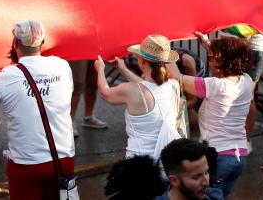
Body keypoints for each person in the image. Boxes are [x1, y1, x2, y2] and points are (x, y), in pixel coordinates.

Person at [0, 20, 75, 198]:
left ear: (15, 43)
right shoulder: (62, 66)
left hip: (27, 165)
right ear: (42, 43)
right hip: (63, 160)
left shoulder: (9, 75)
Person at [168, 33, 252, 198]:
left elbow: (177, 77)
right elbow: (229, 59)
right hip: (239, 157)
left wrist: (165, 54)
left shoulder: (214, 86)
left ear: (223, 62)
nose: (210, 60)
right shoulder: (246, 81)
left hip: (218, 159)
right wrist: (207, 44)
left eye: (213, 58)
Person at [95, 35, 181, 160]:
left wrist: (100, 69)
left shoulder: (131, 90)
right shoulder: (174, 85)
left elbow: (105, 93)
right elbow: (147, 87)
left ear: (142, 61)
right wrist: (123, 69)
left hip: (139, 164)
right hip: (168, 161)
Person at [157, 139, 223, 200]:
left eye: (206, 172)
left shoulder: (215, 195)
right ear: (174, 181)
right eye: (196, 177)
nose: (206, 183)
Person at [69, 60, 107, 137]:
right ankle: (69, 122)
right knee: (77, 83)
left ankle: (88, 117)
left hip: (96, 49)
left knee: (93, 82)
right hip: (77, 50)